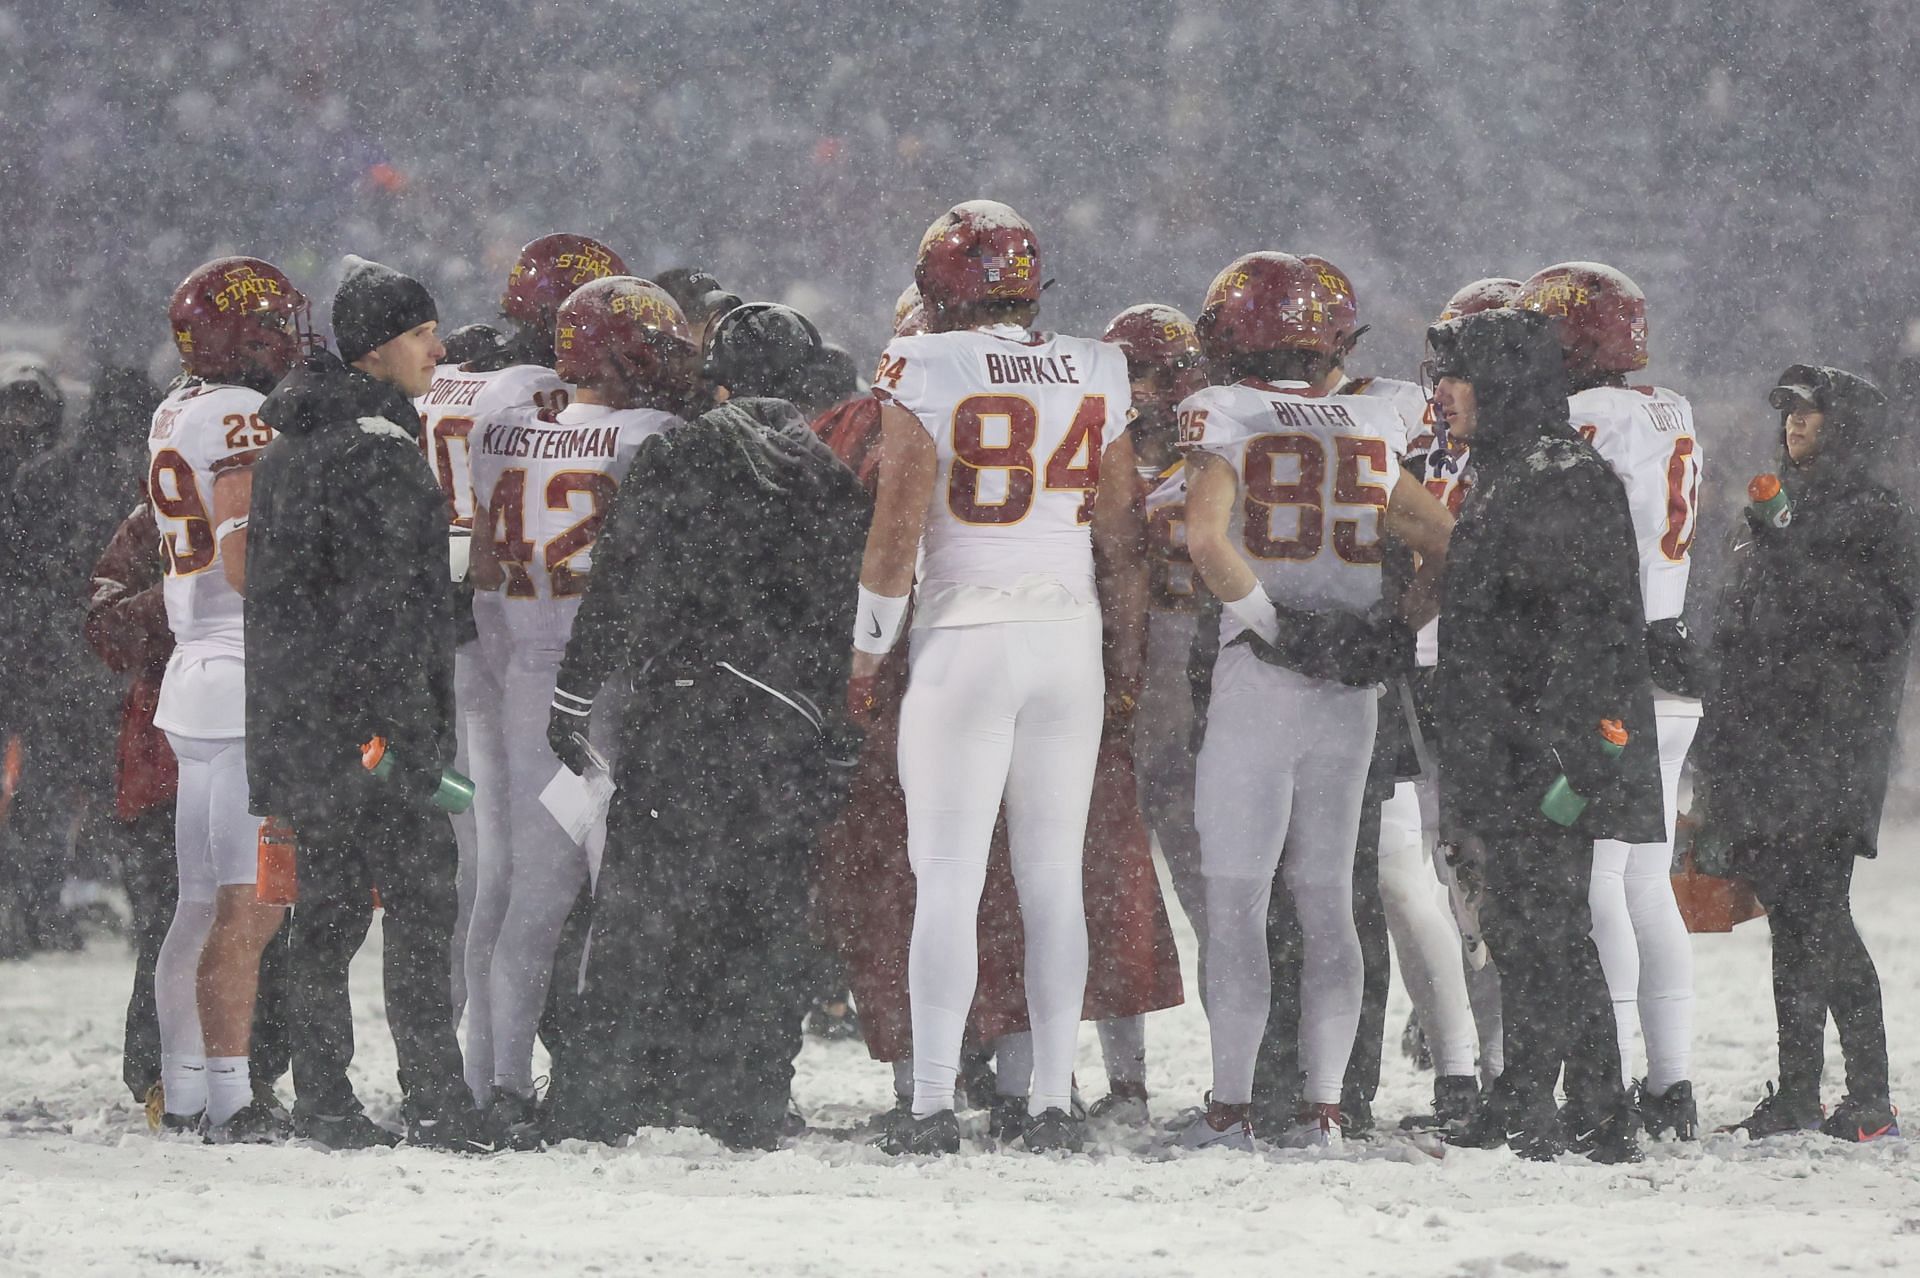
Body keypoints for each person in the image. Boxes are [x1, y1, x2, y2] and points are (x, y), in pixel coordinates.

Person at [853, 200, 1144, 1155]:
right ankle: (1054, 1103)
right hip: (1069, 637)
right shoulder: (1100, 364)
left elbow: (898, 520)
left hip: (965, 635)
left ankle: (934, 1104)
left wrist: (868, 645)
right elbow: (1120, 536)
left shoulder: (925, 362)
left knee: (946, 878)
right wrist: (1127, 654)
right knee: (1052, 879)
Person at [543, 300, 869, 1151]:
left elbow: (618, 586)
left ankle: (606, 1094)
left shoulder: (676, 455)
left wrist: (575, 694)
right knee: (763, 919)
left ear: (716, 378)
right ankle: (747, 1098)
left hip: (680, 713)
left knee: (643, 913)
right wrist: (833, 726)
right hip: (784, 725)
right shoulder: (830, 478)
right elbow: (841, 620)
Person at [1172, 251, 1453, 1151]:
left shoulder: (1230, 414)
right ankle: (1327, 1104)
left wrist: (1272, 625)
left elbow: (1209, 544)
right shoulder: (1374, 422)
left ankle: (1233, 1102)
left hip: (1262, 686)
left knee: (1240, 900)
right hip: (1349, 695)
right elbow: (1447, 541)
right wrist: (1393, 628)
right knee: (1330, 895)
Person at [247, 255, 481, 1151]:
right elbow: (389, 616)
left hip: (299, 723)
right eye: (424, 334)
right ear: (381, 351)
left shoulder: (289, 447)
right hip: (371, 731)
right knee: (421, 911)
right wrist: (404, 738)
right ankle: (434, 1097)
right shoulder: (380, 457)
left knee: (328, 918)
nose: (439, 347)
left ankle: (324, 1099)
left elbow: (292, 600)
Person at [1424, 305, 1660, 1163]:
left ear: (1505, 383)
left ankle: (1556, 1103)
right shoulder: (1524, 466)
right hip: (1521, 740)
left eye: (1458, 378)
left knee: (1542, 923)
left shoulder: (1556, 475)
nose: (1442, 395)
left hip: (1547, 748)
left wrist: (1562, 753)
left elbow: (1580, 632)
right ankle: (1582, 1106)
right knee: (1535, 924)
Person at [464, 275, 687, 1148]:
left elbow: (485, 569)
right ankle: (596, 1078)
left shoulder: (508, 430)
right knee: (612, 892)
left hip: (523, 677)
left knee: (529, 894)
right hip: (608, 685)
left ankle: (501, 1080)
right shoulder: (656, 436)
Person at [416, 232, 623, 1102]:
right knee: (526, 878)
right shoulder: (539, 399)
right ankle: (495, 1073)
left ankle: (471, 1072)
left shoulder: (458, 386)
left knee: (482, 870)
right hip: (539, 652)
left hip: (469, 645)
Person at [1695, 364, 1914, 1143]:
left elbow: (1876, 626)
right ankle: (1795, 1092)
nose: (1795, 423)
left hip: (1829, 749)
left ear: (1845, 426)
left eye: (1812, 413)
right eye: (1789, 411)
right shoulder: (1773, 512)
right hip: (1764, 748)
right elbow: (1739, 632)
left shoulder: (1877, 514)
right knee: (1791, 919)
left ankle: (1870, 1094)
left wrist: (1790, 544)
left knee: (1822, 915)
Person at [1520, 261, 1707, 1139]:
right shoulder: (1669, 407)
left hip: (1610, 667)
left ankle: (1611, 1079)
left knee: (1597, 877)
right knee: (1647, 883)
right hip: (1667, 655)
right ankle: (1669, 1085)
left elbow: (1558, 530)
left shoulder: (1588, 416)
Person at [137, 257, 309, 1141]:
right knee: (254, 904)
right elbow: (250, 559)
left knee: (200, 905)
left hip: (195, 672)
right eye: (276, 322)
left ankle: (188, 1089)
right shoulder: (239, 415)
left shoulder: (176, 408)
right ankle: (233, 1101)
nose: (290, 336)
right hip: (248, 677)